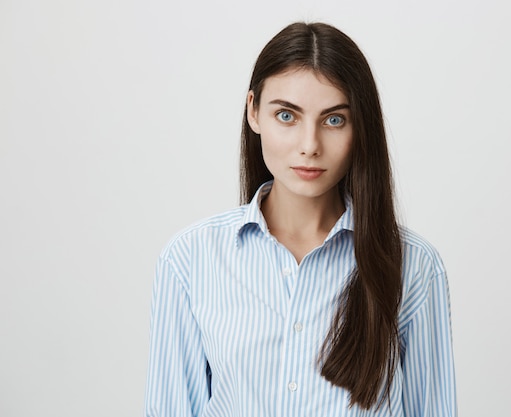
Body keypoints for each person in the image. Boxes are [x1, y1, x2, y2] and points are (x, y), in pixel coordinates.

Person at [145, 22, 456, 417]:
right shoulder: (189, 260)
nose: (309, 146)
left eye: (334, 120)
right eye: (287, 116)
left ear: (361, 128)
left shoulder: (415, 268)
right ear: (253, 111)